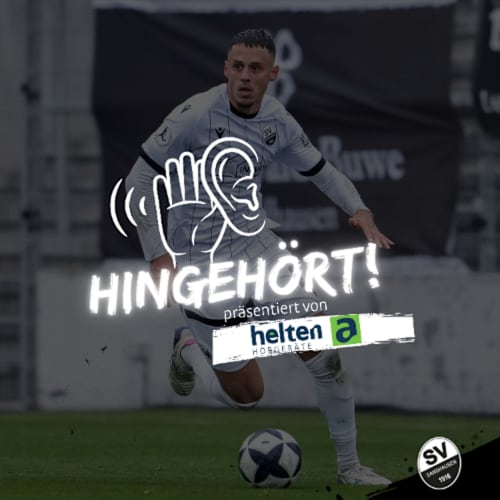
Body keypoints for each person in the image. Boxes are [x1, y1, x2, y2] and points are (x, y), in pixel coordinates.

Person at [126, 28, 394, 486]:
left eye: (255, 69)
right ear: (225, 69)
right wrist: (157, 254)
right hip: (202, 266)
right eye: (237, 67)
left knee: (326, 355)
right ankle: (188, 348)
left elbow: (322, 172)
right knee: (248, 396)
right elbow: (138, 181)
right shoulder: (194, 115)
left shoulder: (277, 121)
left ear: (273, 74)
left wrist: (360, 209)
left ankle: (350, 467)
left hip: (259, 251)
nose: (245, 77)